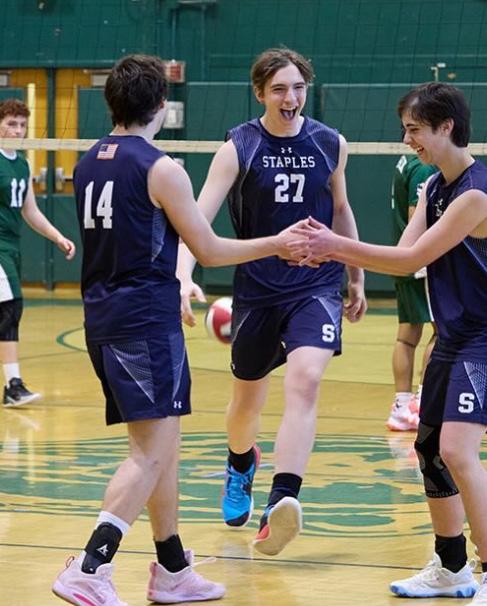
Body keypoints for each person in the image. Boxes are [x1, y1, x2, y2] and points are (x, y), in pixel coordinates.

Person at [51, 54, 308, 606]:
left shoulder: (89, 160)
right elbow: (208, 249)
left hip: (105, 316)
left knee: (161, 446)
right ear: (161, 107)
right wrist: (277, 243)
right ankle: (91, 566)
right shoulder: (162, 168)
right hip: (144, 322)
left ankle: (171, 568)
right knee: (149, 453)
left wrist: (178, 278)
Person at [294, 81, 487, 605]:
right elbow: (404, 253)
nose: (407, 140)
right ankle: (451, 567)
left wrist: (334, 245)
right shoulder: (435, 188)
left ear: (446, 127)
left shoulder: (475, 194)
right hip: (452, 336)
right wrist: (336, 253)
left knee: (457, 450)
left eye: (414, 129)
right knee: (430, 450)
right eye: (405, 130)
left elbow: (409, 260)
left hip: (482, 339)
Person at [177, 47, 367, 557]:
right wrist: (182, 276)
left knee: (305, 381)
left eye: (298, 87)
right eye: (280, 89)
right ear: (260, 92)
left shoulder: (330, 143)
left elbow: (341, 209)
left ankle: (281, 502)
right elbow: (197, 220)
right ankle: (241, 464)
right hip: (258, 287)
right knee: (246, 402)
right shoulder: (238, 147)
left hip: (316, 284)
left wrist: (356, 275)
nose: (291, 98)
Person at [0, 99, 75, 408]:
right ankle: (13, 385)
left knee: (8, 310)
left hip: (12, 247)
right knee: (10, 308)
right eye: (10, 124)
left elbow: (30, 211)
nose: (17, 131)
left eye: (21, 125)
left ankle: (12, 385)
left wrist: (58, 237)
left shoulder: (22, 164)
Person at [387, 154, 437, 432]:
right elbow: (417, 217)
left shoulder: (406, 161)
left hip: (402, 258)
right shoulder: (425, 167)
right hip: (421, 264)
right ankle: (422, 402)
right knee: (443, 332)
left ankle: (402, 407)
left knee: (406, 336)